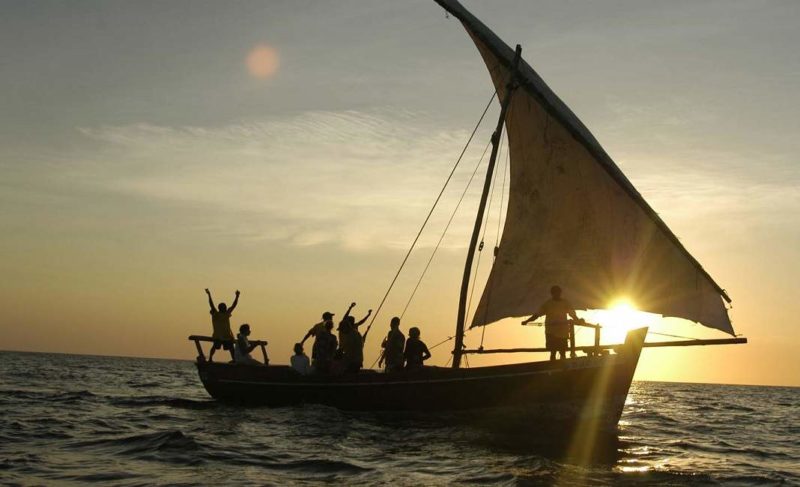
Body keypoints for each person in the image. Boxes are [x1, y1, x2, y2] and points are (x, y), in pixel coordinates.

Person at [521, 285, 578, 361]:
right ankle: (552, 367)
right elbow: (537, 315)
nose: (557, 294)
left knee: (562, 352)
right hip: (551, 332)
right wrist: (527, 321)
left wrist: (578, 320)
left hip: (562, 332)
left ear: (560, 293)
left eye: (558, 292)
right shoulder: (547, 304)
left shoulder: (565, 303)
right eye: (555, 293)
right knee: (553, 351)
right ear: (552, 293)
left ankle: (563, 368)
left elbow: (572, 314)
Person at [205, 288, 240, 362]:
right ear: (220, 308)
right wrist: (209, 294)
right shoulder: (216, 314)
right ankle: (210, 358)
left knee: (231, 348)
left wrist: (237, 296)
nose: (225, 308)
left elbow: (234, 305)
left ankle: (234, 360)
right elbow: (211, 304)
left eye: (225, 307)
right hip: (218, 336)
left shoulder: (226, 314)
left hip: (226, 336)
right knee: (215, 347)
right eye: (223, 307)